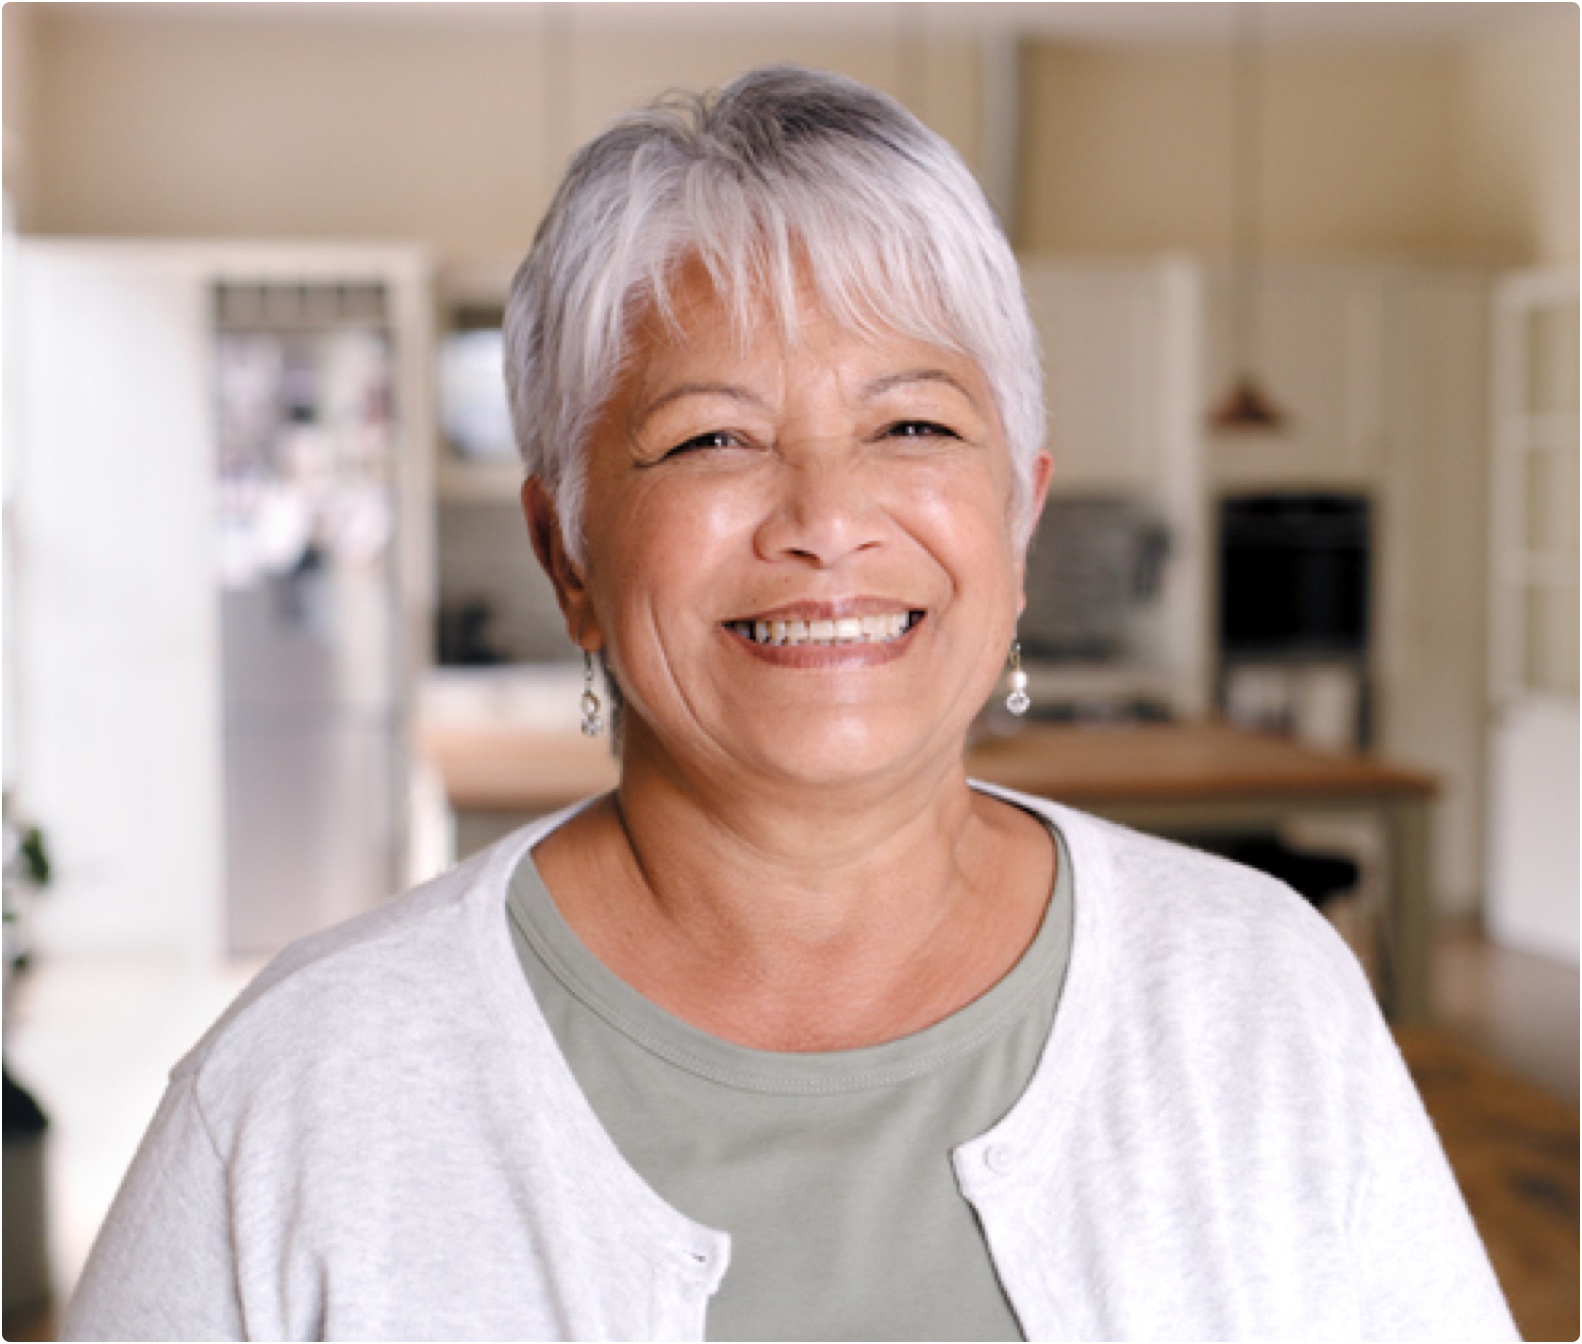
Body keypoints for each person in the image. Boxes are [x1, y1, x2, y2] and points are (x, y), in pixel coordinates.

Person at [65, 66, 1514, 1342]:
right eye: (709, 436)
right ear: (565, 550)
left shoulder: (1259, 998)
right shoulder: (295, 1097)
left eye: (911, 424)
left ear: (1015, 518)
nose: (825, 519)